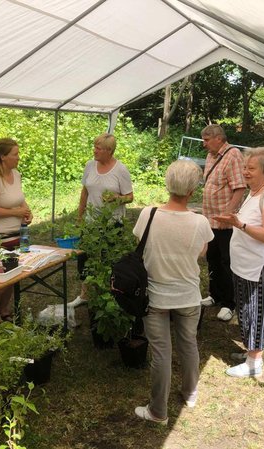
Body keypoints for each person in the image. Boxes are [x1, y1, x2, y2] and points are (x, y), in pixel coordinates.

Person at [134, 159, 213, 425]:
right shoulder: (201, 222)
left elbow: (141, 245)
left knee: (161, 353)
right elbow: (202, 252)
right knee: (189, 345)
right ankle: (190, 393)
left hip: (154, 296)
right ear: (193, 191)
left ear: (168, 185)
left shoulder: (148, 214)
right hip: (189, 296)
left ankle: (158, 411)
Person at [215, 147, 264, 377]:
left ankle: (255, 363)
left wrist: (240, 225)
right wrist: (234, 220)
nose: (245, 172)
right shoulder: (254, 192)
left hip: (260, 269)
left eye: (251, 168)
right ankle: (250, 352)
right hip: (245, 267)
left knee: (256, 313)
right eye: (245, 167)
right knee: (246, 310)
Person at [71, 133, 133, 307]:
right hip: (90, 222)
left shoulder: (120, 169)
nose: (94, 150)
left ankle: (107, 295)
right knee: (84, 258)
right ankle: (84, 295)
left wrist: (116, 198)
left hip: (112, 224)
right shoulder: (90, 165)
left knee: (109, 259)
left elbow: (129, 197)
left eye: (98, 148)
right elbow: (85, 192)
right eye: (94, 146)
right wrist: (80, 216)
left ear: (109, 151)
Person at [0, 138, 32, 324]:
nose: (18, 157)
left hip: (18, 231)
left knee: (15, 271)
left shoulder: (16, 174)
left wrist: (27, 211)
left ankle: (4, 308)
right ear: (3, 157)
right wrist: (16, 212)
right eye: (15, 154)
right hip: (1, 236)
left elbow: (19, 198)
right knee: (6, 271)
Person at [200, 124, 246, 321]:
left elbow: (239, 187)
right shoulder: (211, 155)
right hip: (209, 219)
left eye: (207, 140)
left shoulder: (233, 154)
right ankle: (215, 294)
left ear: (218, 138)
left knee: (227, 261)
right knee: (212, 258)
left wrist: (228, 212)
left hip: (224, 222)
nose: (204, 144)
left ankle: (229, 303)